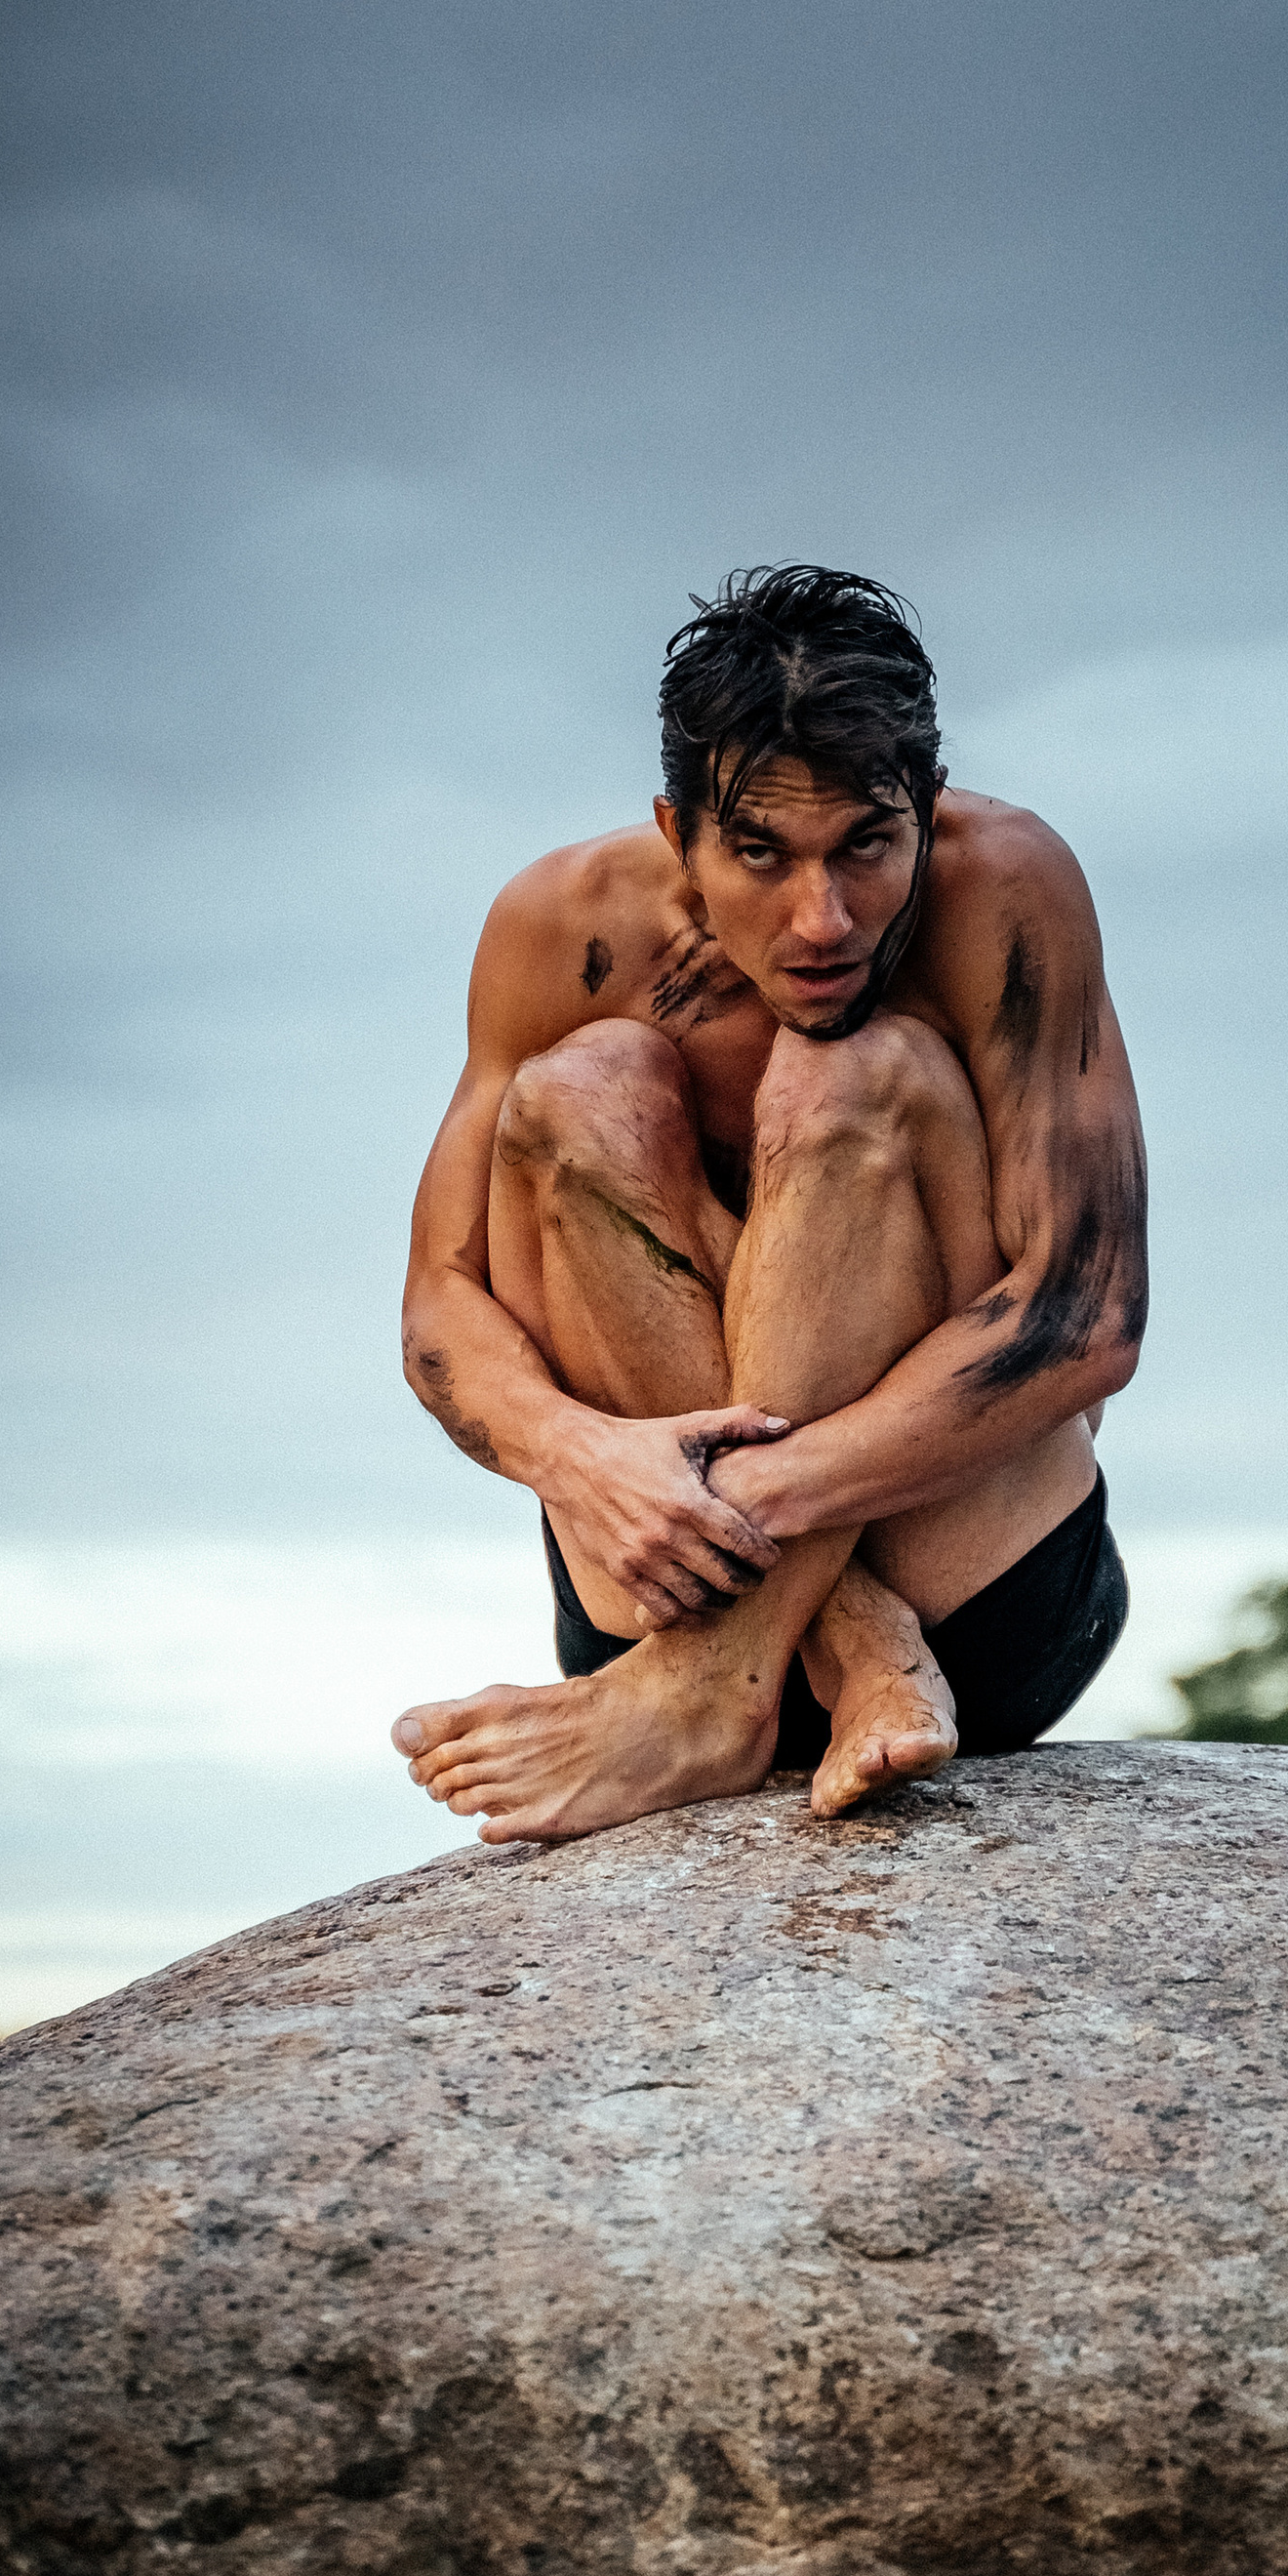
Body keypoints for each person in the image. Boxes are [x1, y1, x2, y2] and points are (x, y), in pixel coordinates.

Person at [392, 563, 1147, 1843]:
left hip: (978, 1603)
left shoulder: (1006, 891)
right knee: (581, 1088)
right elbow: (438, 1306)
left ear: (926, 804)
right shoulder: (562, 928)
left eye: (868, 845)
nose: (823, 919)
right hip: (656, 1590)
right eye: (760, 853)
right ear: (677, 831)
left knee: (855, 1068)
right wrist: (582, 1456)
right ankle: (824, 1648)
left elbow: (1087, 1315)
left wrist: (753, 1502)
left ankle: (712, 1688)